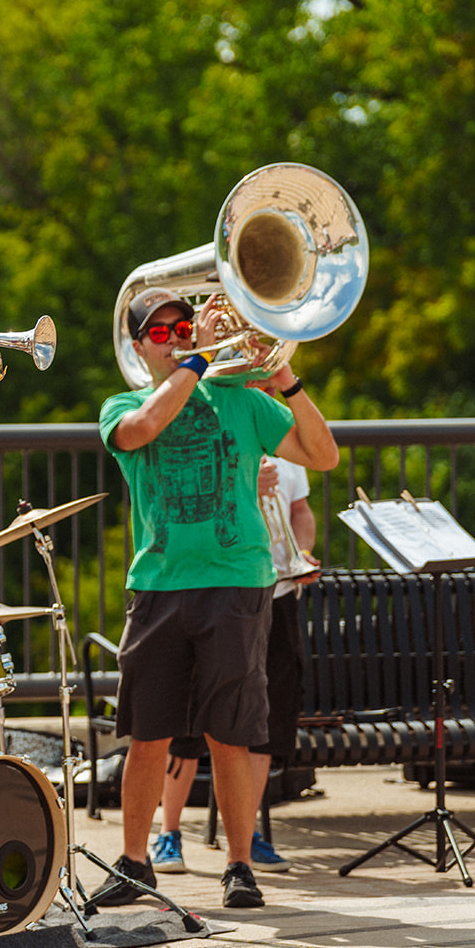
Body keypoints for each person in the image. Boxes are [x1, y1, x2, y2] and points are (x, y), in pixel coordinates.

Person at [96, 286, 338, 910]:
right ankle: (133, 861)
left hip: (237, 580)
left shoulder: (241, 400)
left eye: (186, 329)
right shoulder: (122, 402)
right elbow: (145, 427)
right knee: (147, 733)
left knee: (232, 733)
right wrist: (197, 361)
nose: (177, 338)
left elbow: (323, 454)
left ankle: (238, 864)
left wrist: (282, 376)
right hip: (159, 584)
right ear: (138, 345)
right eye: (162, 333)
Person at [148, 455, 321, 876]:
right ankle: (169, 833)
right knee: (189, 717)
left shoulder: (285, 445)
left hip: (278, 593)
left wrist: (304, 552)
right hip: (222, 593)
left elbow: (299, 510)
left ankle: (244, 834)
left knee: (265, 719)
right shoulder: (221, 440)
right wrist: (245, 483)